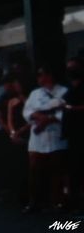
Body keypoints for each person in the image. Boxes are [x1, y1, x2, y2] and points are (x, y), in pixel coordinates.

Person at [22, 68, 68, 213]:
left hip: (56, 135)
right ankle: (34, 202)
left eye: (41, 75)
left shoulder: (64, 91)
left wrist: (47, 119)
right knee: (35, 171)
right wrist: (40, 117)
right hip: (37, 138)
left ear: (49, 75)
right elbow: (27, 111)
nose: (39, 78)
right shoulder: (35, 93)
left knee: (57, 170)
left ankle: (57, 202)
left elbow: (64, 112)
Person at [63, 57, 84, 210]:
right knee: (74, 168)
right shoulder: (68, 87)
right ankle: (76, 201)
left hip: (81, 129)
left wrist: (71, 108)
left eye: (73, 68)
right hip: (72, 132)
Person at [7, 77, 31, 205]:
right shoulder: (12, 101)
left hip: (26, 133)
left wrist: (21, 131)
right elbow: (9, 118)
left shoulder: (29, 100)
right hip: (15, 133)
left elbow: (30, 119)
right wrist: (12, 132)